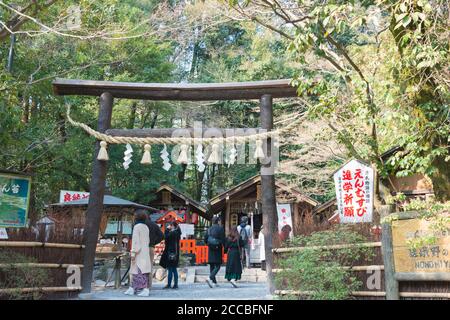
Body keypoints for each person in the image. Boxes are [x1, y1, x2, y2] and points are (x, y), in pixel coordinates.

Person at [124, 211, 152, 297]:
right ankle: (133, 288)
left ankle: (144, 289)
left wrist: (133, 252)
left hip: (138, 252)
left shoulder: (137, 227)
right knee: (141, 272)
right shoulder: (146, 227)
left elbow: (136, 242)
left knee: (138, 272)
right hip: (145, 251)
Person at [143, 210, 164, 289]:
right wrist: (154, 242)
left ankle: (141, 284)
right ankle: (149, 285)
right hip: (150, 247)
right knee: (150, 266)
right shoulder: (154, 225)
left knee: (141, 266)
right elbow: (162, 236)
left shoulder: (140, 225)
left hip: (141, 248)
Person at [204, 216, 225, 288]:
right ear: (218, 221)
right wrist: (224, 247)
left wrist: (209, 244)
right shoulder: (220, 229)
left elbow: (205, 239)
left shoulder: (209, 229)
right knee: (218, 266)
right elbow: (223, 239)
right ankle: (210, 278)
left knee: (212, 265)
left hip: (210, 248)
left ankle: (214, 282)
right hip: (217, 248)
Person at [159, 221, 181, 289]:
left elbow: (166, 237)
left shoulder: (172, 233)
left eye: (170, 225)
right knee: (174, 269)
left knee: (171, 269)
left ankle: (169, 284)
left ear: (172, 226)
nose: (169, 227)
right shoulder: (177, 233)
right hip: (175, 253)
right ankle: (175, 284)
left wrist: (166, 230)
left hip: (171, 252)